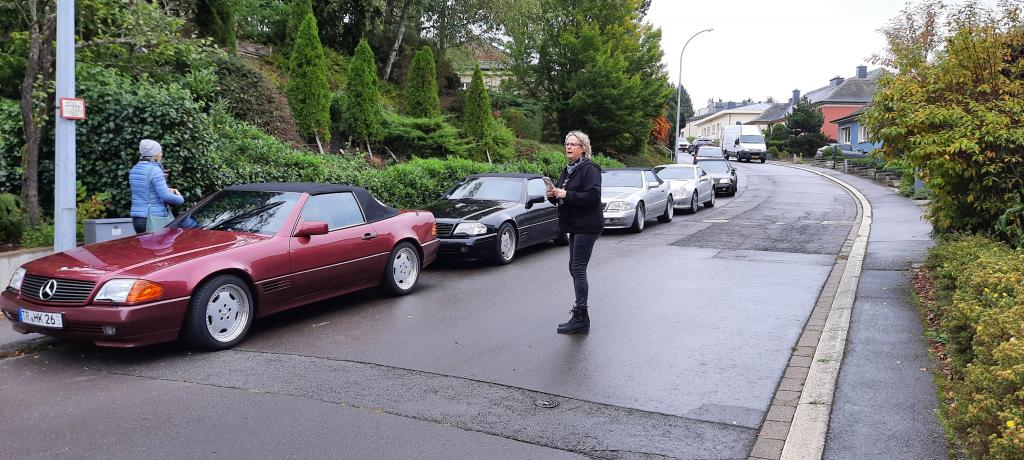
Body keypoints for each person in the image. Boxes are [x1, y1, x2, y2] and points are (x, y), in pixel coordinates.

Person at [547, 130, 603, 334]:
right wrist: (552, 194)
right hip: (574, 226)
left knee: (578, 268)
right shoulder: (569, 169)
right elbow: (562, 196)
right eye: (567, 144)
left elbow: (593, 196)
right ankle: (580, 315)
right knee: (574, 267)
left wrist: (567, 194)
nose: (568, 147)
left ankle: (581, 317)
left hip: (587, 226)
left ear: (583, 148)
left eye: (573, 144)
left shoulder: (589, 169)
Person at [129, 139, 184, 233]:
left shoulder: (134, 169)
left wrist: (167, 189)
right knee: (161, 243)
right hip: (153, 219)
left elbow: (146, 189)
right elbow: (165, 196)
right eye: (160, 152)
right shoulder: (155, 170)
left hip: (138, 219)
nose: (161, 154)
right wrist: (180, 199)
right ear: (154, 154)